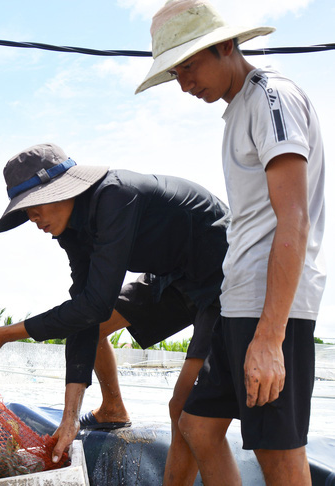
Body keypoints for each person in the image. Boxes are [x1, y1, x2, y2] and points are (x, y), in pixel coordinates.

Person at [0, 142, 230, 480]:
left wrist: (4, 334)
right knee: (93, 327)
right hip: (173, 274)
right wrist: (70, 418)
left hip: (222, 272)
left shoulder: (116, 196)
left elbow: (96, 303)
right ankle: (112, 408)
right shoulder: (72, 231)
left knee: (184, 411)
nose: (32, 218)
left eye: (34, 206)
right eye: (26, 212)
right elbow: (86, 315)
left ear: (61, 189)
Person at [135, 1, 326, 485]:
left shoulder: (270, 98)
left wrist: (269, 338)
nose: (184, 83)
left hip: (271, 308)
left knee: (277, 452)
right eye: (175, 73)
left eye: (190, 66)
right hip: (238, 301)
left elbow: (294, 219)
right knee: (197, 425)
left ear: (225, 45)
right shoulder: (239, 108)